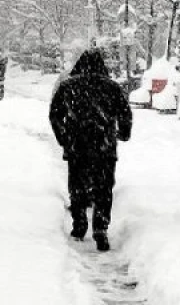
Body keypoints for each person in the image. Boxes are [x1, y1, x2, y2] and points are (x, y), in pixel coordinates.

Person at [48, 48, 133, 252]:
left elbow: (55, 114)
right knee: (104, 188)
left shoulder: (69, 87)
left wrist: (64, 138)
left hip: (78, 146)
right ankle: (101, 229)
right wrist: (123, 133)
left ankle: (79, 225)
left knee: (77, 185)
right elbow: (125, 114)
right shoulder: (111, 87)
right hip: (104, 147)